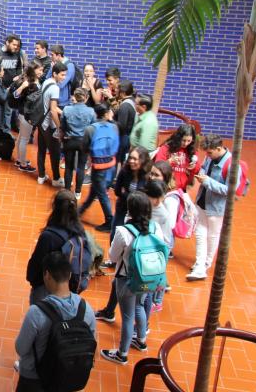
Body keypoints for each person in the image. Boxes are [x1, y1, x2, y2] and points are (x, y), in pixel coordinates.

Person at [15, 251, 97, 390]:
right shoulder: (86, 310)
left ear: (46, 275)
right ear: (70, 274)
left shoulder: (36, 313)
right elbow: (93, 346)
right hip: (67, 377)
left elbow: (21, 349)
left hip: (35, 379)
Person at [100, 192, 164, 366]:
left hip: (126, 279)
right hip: (149, 278)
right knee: (140, 306)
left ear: (130, 210)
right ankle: (141, 340)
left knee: (127, 316)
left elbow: (113, 258)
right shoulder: (155, 227)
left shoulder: (123, 231)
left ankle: (122, 354)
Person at [94, 146, 152, 323]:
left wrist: (132, 197)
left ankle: (127, 321)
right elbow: (117, 189)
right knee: (115, 237)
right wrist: (130, 197)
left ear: (142, 161)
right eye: (131, 158)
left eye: (136, 159)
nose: (132, 161)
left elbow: (143, 196)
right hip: (122, 211)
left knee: (126, 291)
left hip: (135, 219)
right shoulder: (125, 173)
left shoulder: (147, 177)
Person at [26, 190, 85, 304]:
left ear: (55, 208)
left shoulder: (49, 236)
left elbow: (36, 263)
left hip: (47, 288)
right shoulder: (80, 232)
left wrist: (33, 280)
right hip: (68, 288)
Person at [188, 135, 233, 282]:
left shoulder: (232, 165)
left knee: (212, 236)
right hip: (202, 201)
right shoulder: (210, 158)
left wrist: (208, 181)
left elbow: (228, 190)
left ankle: (205, 264)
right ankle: (200, 265)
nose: (207, 156)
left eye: (209, 153)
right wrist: (201, 173)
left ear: (219, 149)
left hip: (216, 208)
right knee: (200, 233)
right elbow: (203, 169)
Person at [79, 103, 120, 230]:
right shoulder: (114, 127)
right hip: (111, 165)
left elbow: (84, 147)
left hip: (98, 167)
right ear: (107, 113)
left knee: (101, 193)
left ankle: (109, 221)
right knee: (97, 190)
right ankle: (80, 210)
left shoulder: (90, 129)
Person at [144, 177, 174, 313]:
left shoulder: (163, 215)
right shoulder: (145, 206)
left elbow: (167, 239)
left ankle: (158, 301)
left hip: (158, 249)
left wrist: (162, 253)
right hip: (146, 247)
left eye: (160, 198)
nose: (158, 202)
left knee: (159, 276)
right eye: (154, 198)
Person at [62, 88, 96, 200]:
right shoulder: (91, 111)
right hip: (83, 141)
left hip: (70, 140)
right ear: (86, 98)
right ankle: (78, 192)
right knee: (81, 167)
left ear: (75, 97)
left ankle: (67, 190)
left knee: (68, 167)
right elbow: (93, 127)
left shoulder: (67, 109)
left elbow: (63, 126)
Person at [37, 62, 67, 187]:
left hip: (41, 121)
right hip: (49, 125)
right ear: (55, 73)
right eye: (62, 75)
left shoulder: (46, 82)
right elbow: (53, 110)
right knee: (55, 152)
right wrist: (59, 127)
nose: (63, 77)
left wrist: (65, 111)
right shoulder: (55, 88)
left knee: (41, 150)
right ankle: (56, 179)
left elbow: (49, 106)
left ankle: (41, 175)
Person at [12, 63, 43, 172]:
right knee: (24, 139)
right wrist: (22, 86)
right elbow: (15, 95)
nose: (41, 72)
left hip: (22, 114)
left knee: (21, 137)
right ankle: (23, 164)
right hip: (26, 115)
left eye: (42, 70)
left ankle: (19, 160)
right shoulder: (29, 84)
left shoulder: (31, 81)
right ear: (33, 70)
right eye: (39, 70)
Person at [154, 123, 201, 190]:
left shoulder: (191, 150)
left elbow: (197, 169)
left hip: (183, 188)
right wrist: (169, 161)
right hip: (167, 186)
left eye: (189, 141)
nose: (186, 143)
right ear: (178, 138)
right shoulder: (166, 148)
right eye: (183, 140)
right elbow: (157, 165)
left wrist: (194, 167)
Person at [115, 80, 137, 166]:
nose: (116, 90)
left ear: (123, 92)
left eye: (118, 89)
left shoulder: (125, 105)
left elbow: (122, 126)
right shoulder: (133, 102)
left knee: (119, 160)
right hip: (128, 137)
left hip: (123, 138)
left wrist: (111, 121)